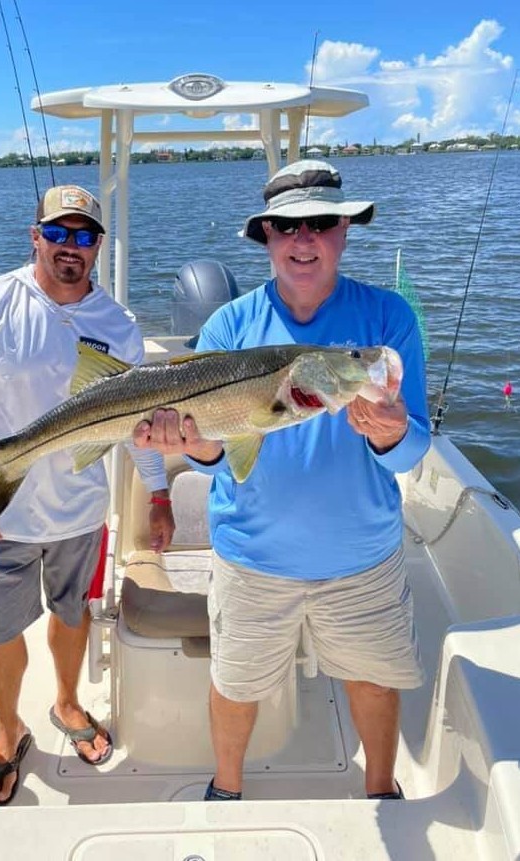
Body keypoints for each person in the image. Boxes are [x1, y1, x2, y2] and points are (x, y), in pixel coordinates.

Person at [133, 159, 430, 801]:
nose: (304, 240)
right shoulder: (229, 327)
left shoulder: (387, 320)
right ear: (265, 236)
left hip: (362, 557)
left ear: (345, 232)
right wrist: (196, 448)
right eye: (286, 226)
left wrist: (388, 432)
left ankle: (382, 788)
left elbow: (412, 456)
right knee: (235, 684)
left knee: (374, 682)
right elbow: (217, 456)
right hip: (251, 557)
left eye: (321, 224)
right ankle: (227, 787)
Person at [0, 184, 175, 805]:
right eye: (59, 233)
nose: (72, 247)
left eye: (85, 236)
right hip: (0, 513)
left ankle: (67, 704)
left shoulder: (118, 327)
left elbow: (138, 423)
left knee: (73, 616)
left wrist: (157, 495)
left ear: (99, 246)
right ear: (35, 235)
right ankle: (8, 727)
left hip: (80, 513)